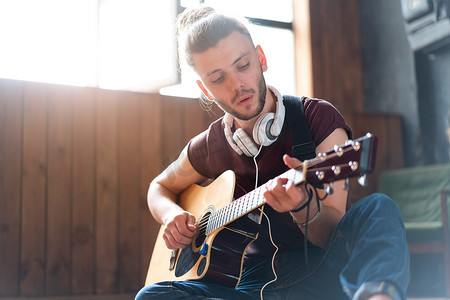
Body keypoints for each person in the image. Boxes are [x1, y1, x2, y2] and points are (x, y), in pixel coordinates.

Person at [135, 6, 410, 300]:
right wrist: (172, 215)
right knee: (151, 296)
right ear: (205, 89)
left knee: (378, 207)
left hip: (325, 275)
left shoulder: (316, 118)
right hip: (253, 286)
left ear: (261, 59)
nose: (237, 85)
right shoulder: (212, 144)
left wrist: (302, 206)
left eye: (243, 66)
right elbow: (158, 187)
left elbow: (332, 232)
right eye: (218, 79)